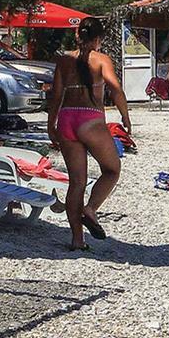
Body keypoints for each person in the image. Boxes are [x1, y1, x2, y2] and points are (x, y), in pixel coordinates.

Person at [49, 18, 129, 251]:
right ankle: (91, 209)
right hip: (90, 119)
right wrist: (125, 116)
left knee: (77, 183)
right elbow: (115, 89)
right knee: (112, 170)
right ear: (98, 39)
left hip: (66, 119)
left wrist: (50, 124)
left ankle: (77, 239)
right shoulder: (102, 60)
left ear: (78, 35)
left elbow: (56, 95)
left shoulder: (64, 61)